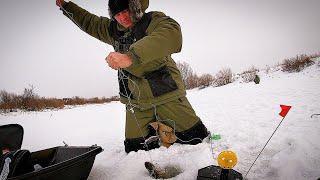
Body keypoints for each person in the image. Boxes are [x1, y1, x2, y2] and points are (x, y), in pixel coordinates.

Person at [56, 0, 209, 153]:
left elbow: (172, 33)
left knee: (197, 139)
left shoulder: (152, 19)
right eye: (117, 14)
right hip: (136, 101)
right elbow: (89, 21)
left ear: (134, 9)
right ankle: (160, 134)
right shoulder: (112, 30)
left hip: (166, 92)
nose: (122, 17)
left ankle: (168, 131)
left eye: (125, 11)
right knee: (135, 150)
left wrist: (131, 56)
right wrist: (66, 6)